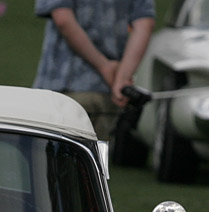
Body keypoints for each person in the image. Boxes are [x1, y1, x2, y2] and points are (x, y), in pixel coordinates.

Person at [32, 0, 156, 140]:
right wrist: (122, 78)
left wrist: (104, 66)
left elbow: (63, 19)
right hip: (107, 93)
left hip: (62, 90)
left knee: (47, 157)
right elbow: (144, 24)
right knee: (94, 159)